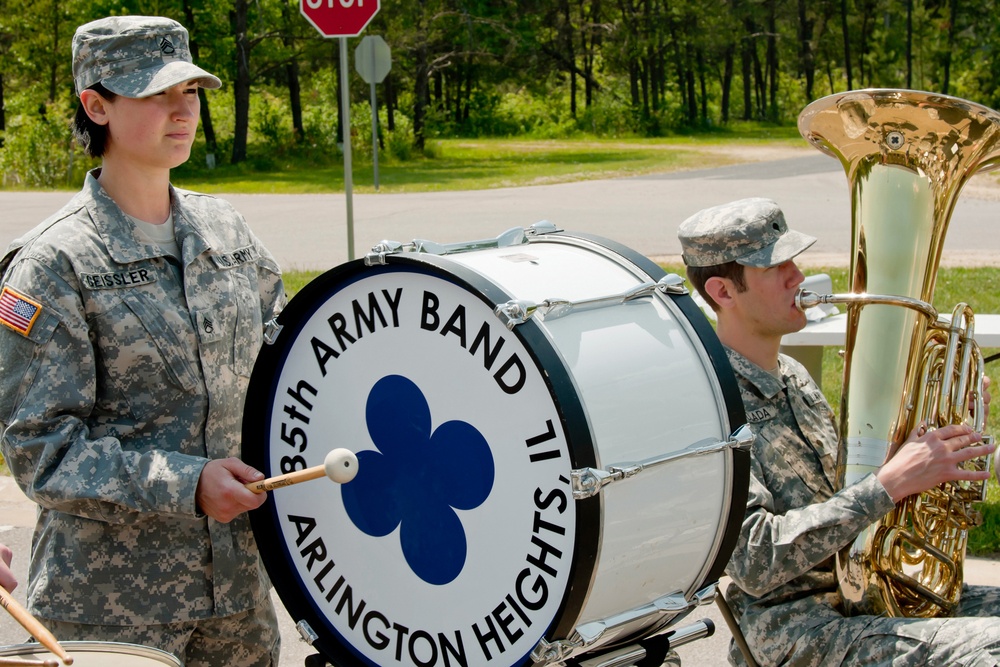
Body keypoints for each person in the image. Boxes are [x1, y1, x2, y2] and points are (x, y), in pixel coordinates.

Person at [0, 15, 284, 666]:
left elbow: (287, 357)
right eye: (154, 94)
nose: (180, 109)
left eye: (189, 91)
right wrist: (187, 483)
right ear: (95, 105)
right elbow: (44, 452)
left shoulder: (226, 231)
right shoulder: (54, 262)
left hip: (237, 599)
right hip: (109, 609)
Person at [677, 197, 1000, 666]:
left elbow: (849, 490)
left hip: (868, 594)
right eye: (775, 267)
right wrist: (891, 482)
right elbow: (753, 562)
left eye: (793, 260)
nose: (798, 277)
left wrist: (943, 433)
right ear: (724, 292)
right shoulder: (708, 407)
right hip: (795, 629)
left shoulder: (795, 376)